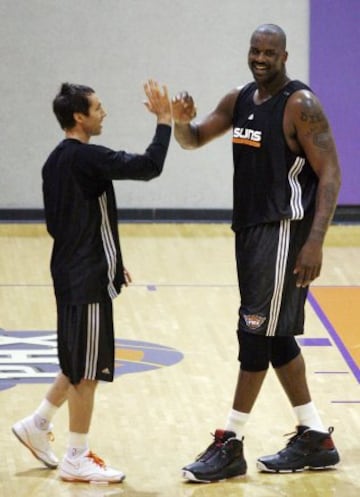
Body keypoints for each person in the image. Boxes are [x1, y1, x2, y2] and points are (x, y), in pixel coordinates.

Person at [172, 23, 341, 482]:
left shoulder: (300, 105)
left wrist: (315, 241)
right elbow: (194, 139)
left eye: (270, 52)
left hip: (285, 230)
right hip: (250, 231)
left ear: (284, 55)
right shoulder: (240, 98)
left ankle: (231, 441)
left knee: (254, 335)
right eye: (255, 50)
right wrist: (178, 121)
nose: (261, 58)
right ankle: (315, 437)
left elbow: (330, 174)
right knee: (276, 334)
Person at [12, 80, 172, 483]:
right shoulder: (89, 158)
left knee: (76, 357)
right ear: (79, 117)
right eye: (98, 107)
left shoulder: (53, 161)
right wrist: (164, 121)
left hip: (67, 271)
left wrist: (111, 261)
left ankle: (37, 423)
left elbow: (61, 224)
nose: (104, 112)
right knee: (87, 372)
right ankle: (76, 456)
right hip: (86, 279)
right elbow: (148, 166)